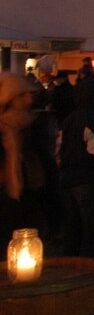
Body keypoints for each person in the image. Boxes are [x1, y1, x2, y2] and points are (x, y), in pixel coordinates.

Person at [58, 78, 94, 259]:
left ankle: (69, 265)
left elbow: (59, 148)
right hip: (89, 180)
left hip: (68, 178)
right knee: (93, 230)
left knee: (73, 228)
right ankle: (91, 270)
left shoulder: (70, 118)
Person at [0, 72, 41, 237]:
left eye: (30, 95)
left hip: (28, 190)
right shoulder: (4, 127)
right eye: (22, 96)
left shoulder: (32, 124)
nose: (29, 101)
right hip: (5, 193)